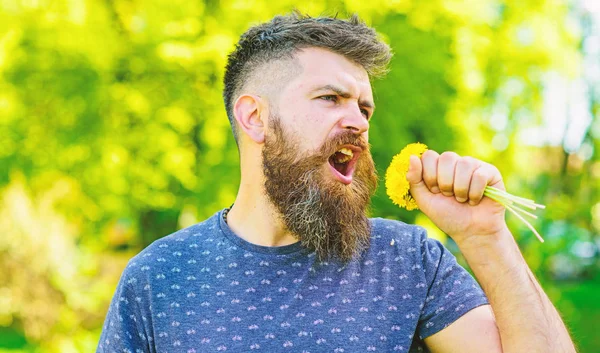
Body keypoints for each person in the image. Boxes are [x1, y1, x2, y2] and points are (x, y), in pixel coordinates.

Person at [97, 13, 576, 353]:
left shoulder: (408, 261)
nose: (360, 121)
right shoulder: (159, 277)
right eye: (331, 98)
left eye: (364, 107)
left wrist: (484, 237)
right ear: (255, 117)